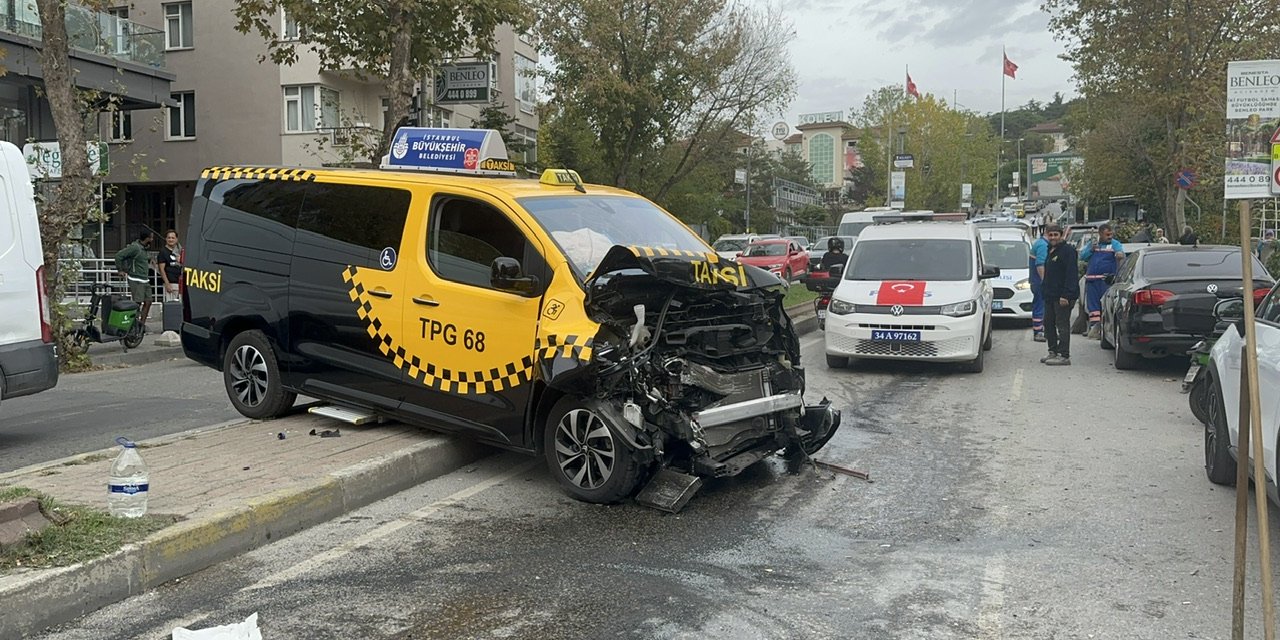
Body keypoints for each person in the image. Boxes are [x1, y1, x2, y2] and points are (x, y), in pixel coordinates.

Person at [1040, 224, 1079, 366]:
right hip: (1050, 295)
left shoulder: (1068, 251)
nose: (1053, 237)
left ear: (1061, 235)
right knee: (1048, 323)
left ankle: (1064, 355)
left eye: (1056, 235)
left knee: (1062, 325)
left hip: (1062, 296)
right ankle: (1052, 351)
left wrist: (1066, 295)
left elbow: (1071, 274)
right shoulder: (1050, 250)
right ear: (1047, 235)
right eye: (1050, 235)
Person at [1081, 223, 1124, 339]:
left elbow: (1120, 254)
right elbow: (1082, 256)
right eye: (1107, 235)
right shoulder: (1093, 245)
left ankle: (1105, 329)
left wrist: (1119, 255)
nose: (1109, 237)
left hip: (1106, 281)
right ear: (1100, 234)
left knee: (1105, 306)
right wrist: (1091, 249)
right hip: (1092, 281)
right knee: (1093, 307)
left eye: (1111, 234)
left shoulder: (1115, 244)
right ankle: (1095, 328)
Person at [114, 230, 154, 327]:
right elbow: (119, 255)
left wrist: (150, 259)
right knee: (138, 302)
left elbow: (142, 258)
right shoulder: (135, 247)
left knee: (148, 301)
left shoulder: (143, 248)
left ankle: (141, 325)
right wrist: (120, 270)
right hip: (136, 279)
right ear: (147, 238)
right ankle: (133, 324)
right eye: (151, 237)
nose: (152, 240)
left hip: (145, 279)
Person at [1029, 229, 1049, 342]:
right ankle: (1038, 331)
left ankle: (1041, 329)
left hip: (1037, 281)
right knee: (1040, 306)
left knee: (1041, 305)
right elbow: (1040, 264)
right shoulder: (1043, 246)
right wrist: (1045, 281)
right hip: (1040, 282)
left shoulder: (1040, 243)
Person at [157, 229, 183, 301]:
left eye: (173, 238)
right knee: (171, 305)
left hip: (180, 283)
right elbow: (161, 269)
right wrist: (167, 284)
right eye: (169, 238)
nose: (171, 240)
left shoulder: (180, 251)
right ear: (166, 239)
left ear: (176, 239)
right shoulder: (163, 252)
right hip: (171, 283)